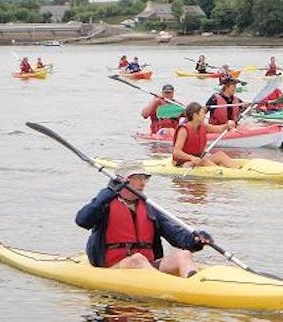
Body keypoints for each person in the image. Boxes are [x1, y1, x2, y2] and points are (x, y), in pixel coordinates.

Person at [75, 167, 213, 277]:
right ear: (122, 181)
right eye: (137, 178)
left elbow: (176, 236)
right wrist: (107, 192)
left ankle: (192, 284)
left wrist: (196, 240)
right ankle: (165, 287)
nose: (142, 183)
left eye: (144, 178)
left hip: (147, 266)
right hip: (113, 267)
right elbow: (82, 220)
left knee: (184, 255)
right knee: (137, 259)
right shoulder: (105, 204)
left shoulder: (150, 208)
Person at [173, 102, 240, 169]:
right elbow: (176, 152)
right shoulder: (183, 130)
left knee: (220, 155)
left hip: (198, 160)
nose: (205, 115)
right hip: (184, 163)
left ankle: (237, 170)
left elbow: (220, 129)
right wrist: (191, 158)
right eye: (203, 113)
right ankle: (220, 172)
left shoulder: (203, 126)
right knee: (203, 160)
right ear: (195, 115)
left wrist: (227, 125)